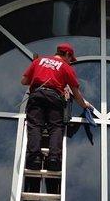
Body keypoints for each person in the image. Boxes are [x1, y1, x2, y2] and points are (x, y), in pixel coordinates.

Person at [21, 43, 92, 171]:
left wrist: (39, 76)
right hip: (54, 98)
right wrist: (84, 104)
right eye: (71, 59)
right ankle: (53, 158)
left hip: (37, 95)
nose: (70, 62)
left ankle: (34, 158)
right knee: (55, 127)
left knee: (35, 125)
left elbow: (24, 81)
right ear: (67, 54)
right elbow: (76, 93)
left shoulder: (39, 61)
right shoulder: (66, 68)